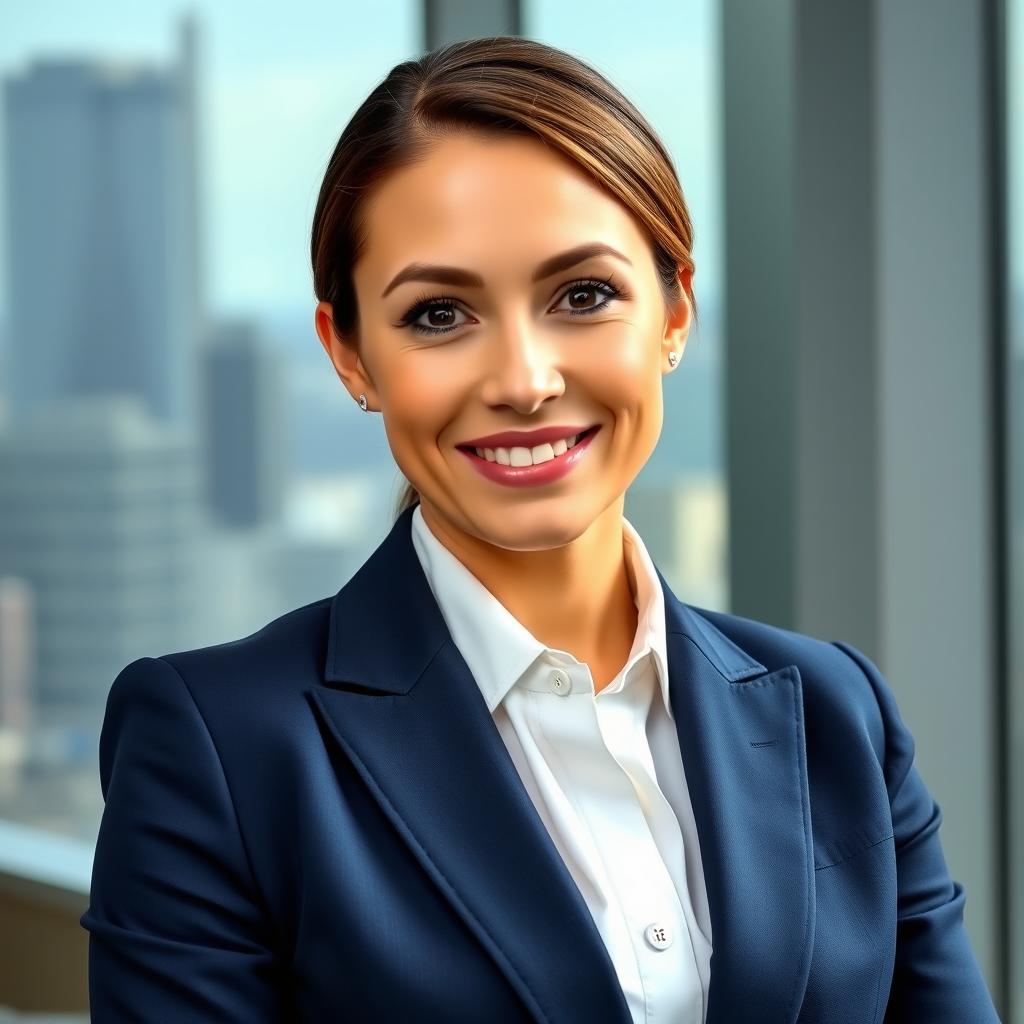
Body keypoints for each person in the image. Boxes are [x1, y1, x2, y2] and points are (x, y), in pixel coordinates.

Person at [80, 35, 1000, 1023]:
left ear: (675, 310)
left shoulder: (835, 714)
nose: (522, 380)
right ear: (347, 353)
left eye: (583, 295)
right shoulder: (219, 747)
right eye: (438, 314)